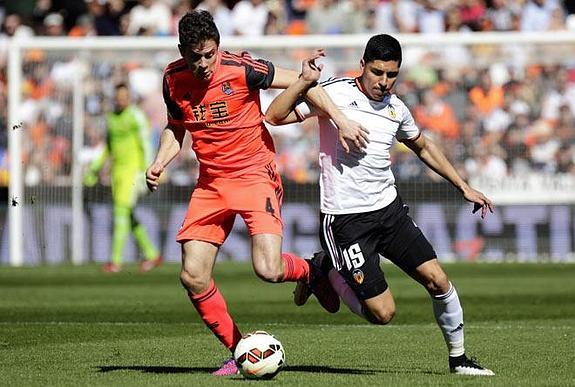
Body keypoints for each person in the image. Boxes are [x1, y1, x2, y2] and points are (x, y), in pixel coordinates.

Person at [145, 10, 368, 376]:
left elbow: (306, 83)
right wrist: (159, 162)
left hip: (254, 175)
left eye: (210, 54)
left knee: (267, 268)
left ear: (219, 47)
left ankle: (313, 270)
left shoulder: (243, 68)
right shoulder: (172, 78)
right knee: (192, 275)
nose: (203, 64)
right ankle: (238, 351)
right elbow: (175, 127)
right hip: (211, 183)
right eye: (194, 56)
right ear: (181, 50)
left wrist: (342, 121)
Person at [265, 34, 495, 376]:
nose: (384, 82)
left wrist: (462, 185)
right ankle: (323, 270)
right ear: (362, 66)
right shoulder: (333, 93)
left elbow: (423, 146)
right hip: (345, 222)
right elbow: (274, 115)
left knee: (438, 280)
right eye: (377, 72)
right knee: (382, 313)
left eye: (391, 75)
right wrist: (302, 82)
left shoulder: (395, 107)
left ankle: (459, 360)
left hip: (389, 212)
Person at [84, 83, 162, 273]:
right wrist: (94, 169)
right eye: (118, 96)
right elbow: (109, 147)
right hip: (117, 173)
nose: (121, 100)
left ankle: (115, 261)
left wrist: (147, 170)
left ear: (129, 97)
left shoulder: (136, 116)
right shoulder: (111, 118)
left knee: (120, 213)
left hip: (133, 172)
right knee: (127, 215)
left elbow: (145, 144)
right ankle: (152, 254)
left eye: (124, 96)